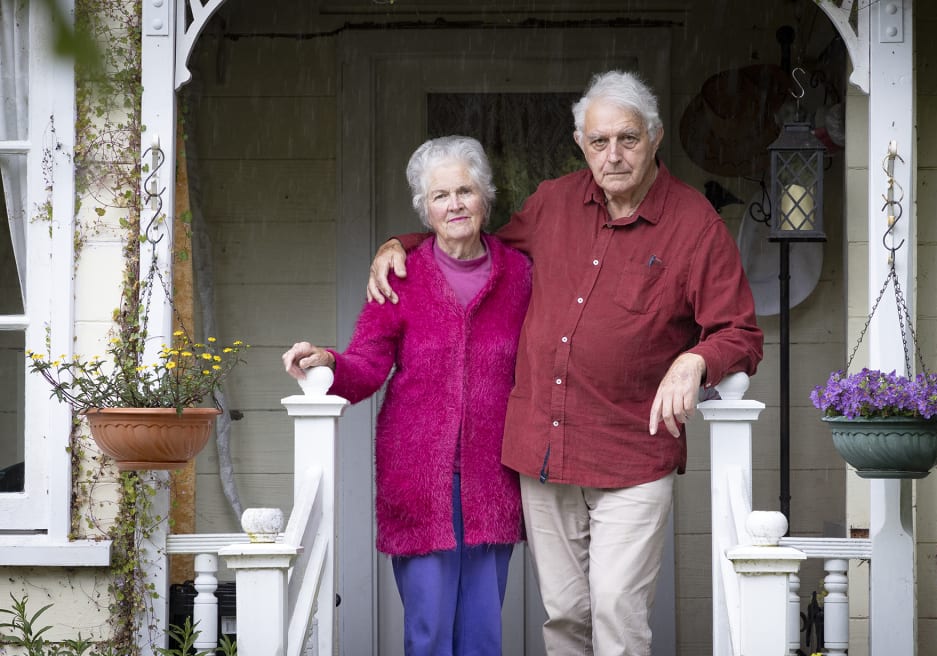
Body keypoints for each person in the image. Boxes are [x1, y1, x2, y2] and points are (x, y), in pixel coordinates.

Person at [368, 71, 764, 655]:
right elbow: (480, 244)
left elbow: (741, 331)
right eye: (599, 141)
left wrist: (696, 361)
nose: (614, 154)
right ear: (581, 144)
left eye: (627, 138)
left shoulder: (693, 224)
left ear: (654, 137)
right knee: (565, 617)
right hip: (545, 454)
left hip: (631, 451)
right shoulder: (553, 202)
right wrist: (400, 242)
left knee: (615, 615)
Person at [282, 136, 531, 656]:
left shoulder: (521, 275)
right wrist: (328, 359)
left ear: (486, 196)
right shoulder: (402, 275)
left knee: (483, 635)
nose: (455, 204)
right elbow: (368, 364)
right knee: (429, 632)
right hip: (418, 478)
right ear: (425, 208)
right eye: (440, 196)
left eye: (465, 190)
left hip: (495, 474)